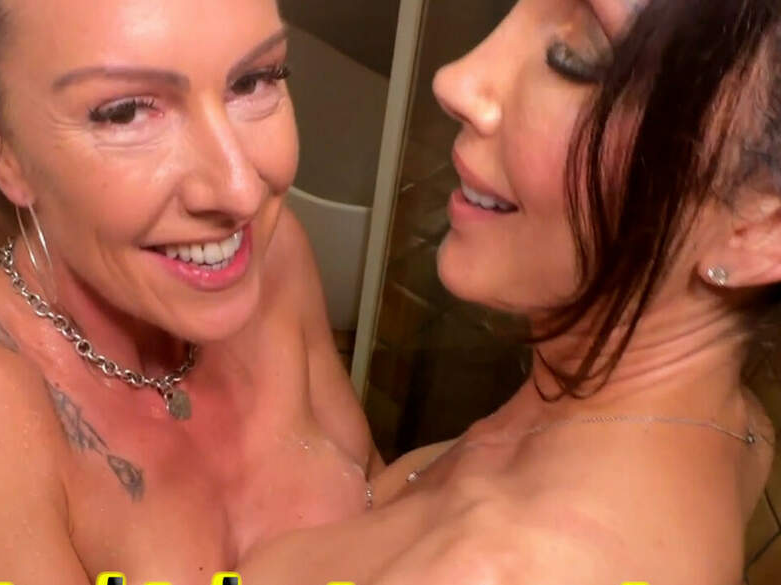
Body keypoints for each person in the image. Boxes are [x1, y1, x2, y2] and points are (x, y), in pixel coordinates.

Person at [238, 0, 779, 582]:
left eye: (574, 56)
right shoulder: (724, 418)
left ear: (760, 230)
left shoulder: (499, 569)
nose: (455, 81)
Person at [0, 0, 383, 583]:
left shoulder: (275, 256)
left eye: (253, 80)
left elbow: (375, 491)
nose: (241, 191)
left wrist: (473, 479)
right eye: (126, 112)